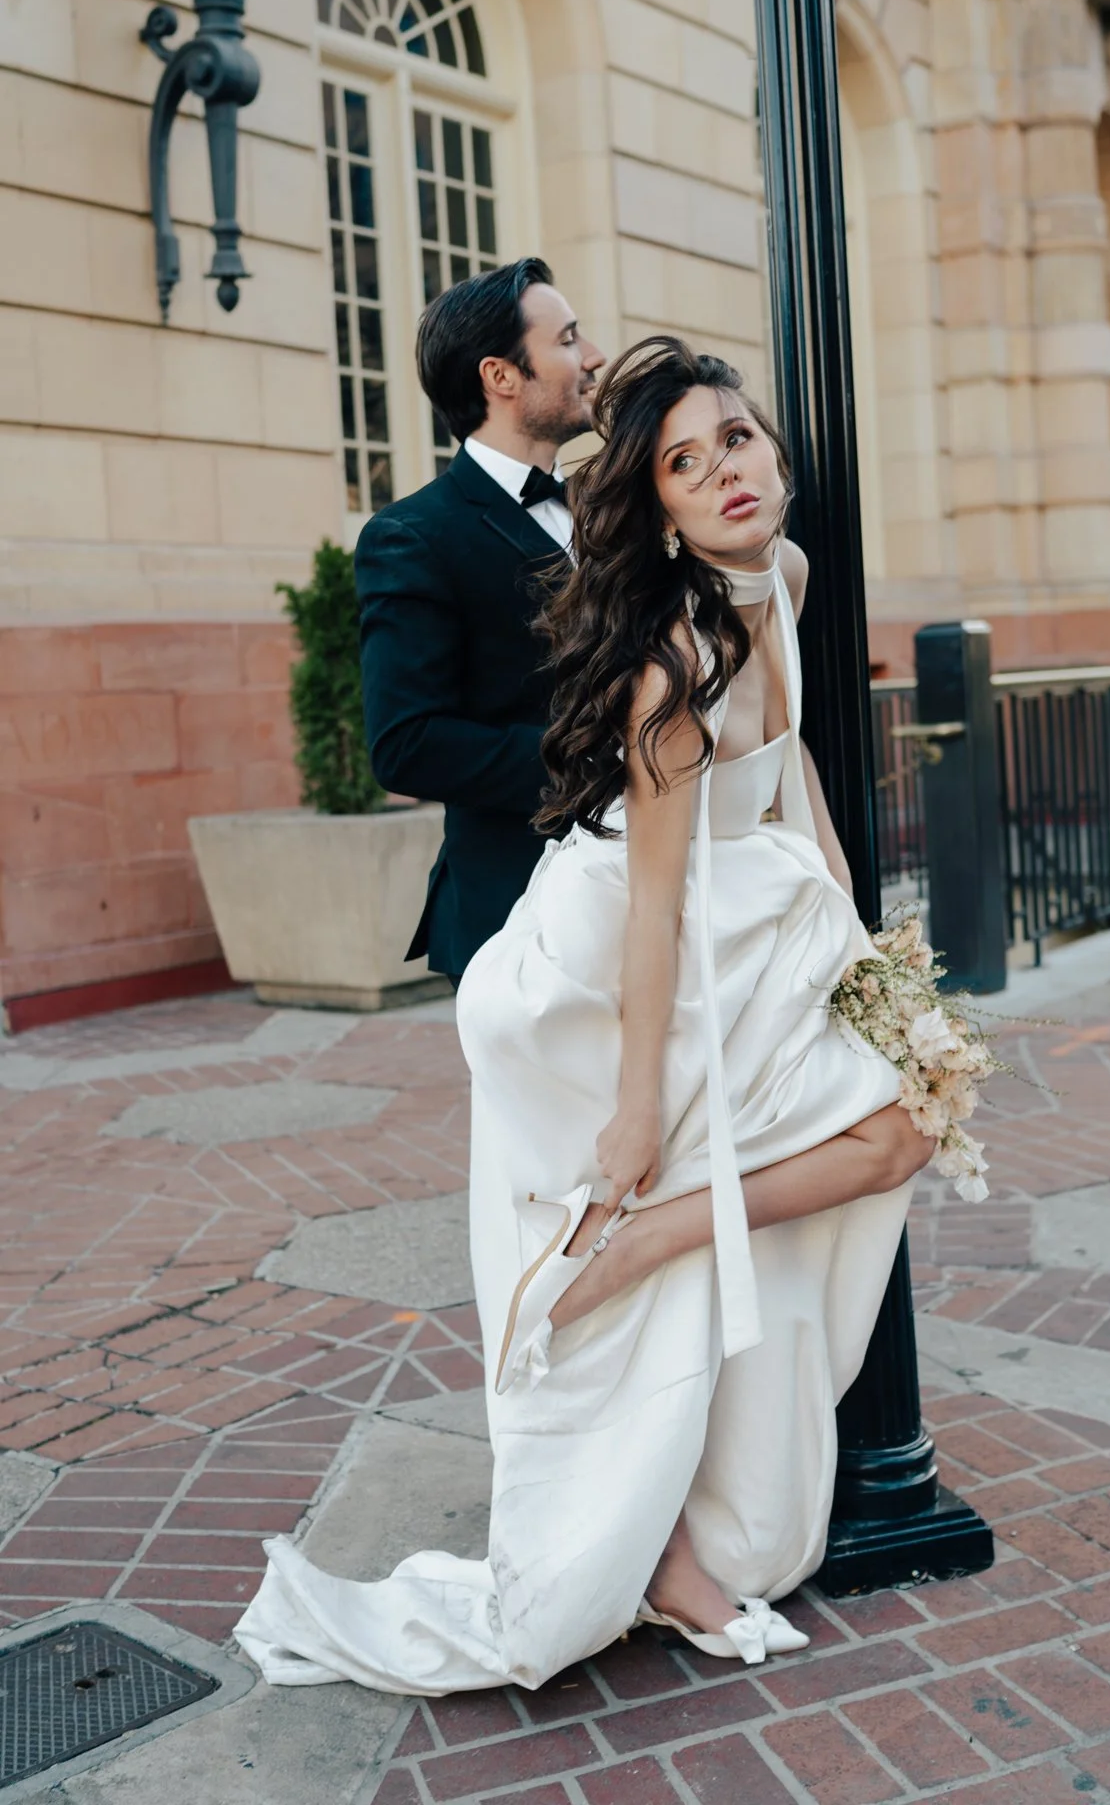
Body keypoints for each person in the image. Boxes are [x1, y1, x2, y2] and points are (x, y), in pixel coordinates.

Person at [235, 337, 936, 1694]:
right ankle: (657, 1537)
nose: (723, 471)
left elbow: (799, 786)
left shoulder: (786, 577)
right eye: (685, 463)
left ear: (774, 455)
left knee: (897, 1130)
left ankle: (663, 1241)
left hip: (743, 928)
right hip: (595, 967)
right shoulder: (670, 663)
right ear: (659, 513)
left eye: (735, 440)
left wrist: (875, 967)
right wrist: (630, 1113)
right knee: (644, 1202)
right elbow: (656, 901)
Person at [354, 257, 605, 988]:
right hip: (519, 906)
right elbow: (407, 744)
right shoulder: (413, 536)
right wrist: (602, 764)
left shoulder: (611, 510)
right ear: (501, 376)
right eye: (567, 339)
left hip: (651, 886)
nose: (593, 358)